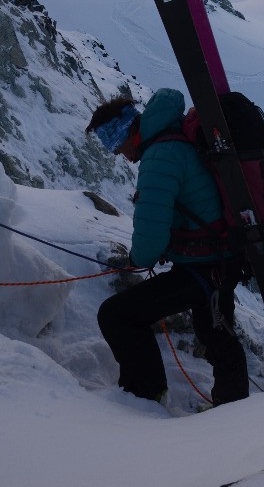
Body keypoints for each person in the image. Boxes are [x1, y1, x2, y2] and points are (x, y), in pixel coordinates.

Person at [87, 87, 249, 406]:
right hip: (219, 259)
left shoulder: (159, 157)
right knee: (216, 335)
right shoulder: (170, 140)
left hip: (206, 265)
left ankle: (145, 397)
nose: (117, 153)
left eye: (114, 144)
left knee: (117, 315)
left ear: (126, 132)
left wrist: (138, 257)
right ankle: (232, 412)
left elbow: (151, 229)